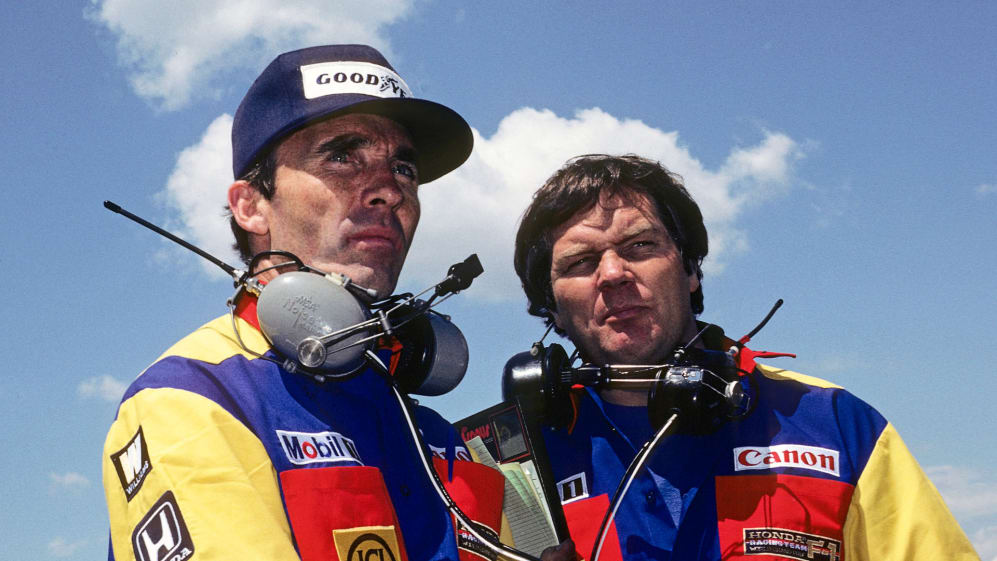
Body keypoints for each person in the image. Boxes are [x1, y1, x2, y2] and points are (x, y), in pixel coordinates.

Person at [102, 45, 508, 561]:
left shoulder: (437, 437)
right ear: (251, 205)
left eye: (404, 168)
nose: (390, 190)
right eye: (342, 157)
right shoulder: (190, 400)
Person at [512, 154, 979, 561]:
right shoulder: (516, 473)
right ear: (552, 307)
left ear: (690, 269)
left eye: (640, 245)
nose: (613, 273)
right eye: (581, 262)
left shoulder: (837, 426)